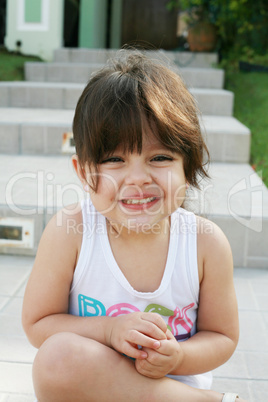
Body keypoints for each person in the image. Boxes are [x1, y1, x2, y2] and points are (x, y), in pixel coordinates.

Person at [22, 50, 246, 402]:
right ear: (83, 172)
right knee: (56, 358)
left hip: (171, 392)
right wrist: (109, 329)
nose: (138, 178)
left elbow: (222, 337)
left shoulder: (205, 244)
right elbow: (39, 324)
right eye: (114, 160)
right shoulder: (71, 231)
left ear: (188, 166)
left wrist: (181, 356)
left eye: (159, 158)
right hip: (93, 386)